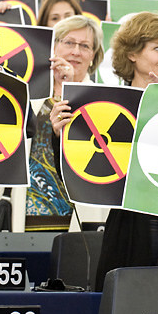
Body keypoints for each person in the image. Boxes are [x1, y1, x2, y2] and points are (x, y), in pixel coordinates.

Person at [50, 12, 158, 290]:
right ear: (132, 54)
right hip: (128, 229)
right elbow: (76, 176)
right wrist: (60, 135)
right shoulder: (104, 106)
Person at [26, 15, 105, 231]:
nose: (76, 52)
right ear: (53, 47)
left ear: (94, 56)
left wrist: (70, 87)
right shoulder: (28, 94)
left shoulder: (102, 100)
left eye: (85, 46)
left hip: (79, 215)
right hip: (27, 215)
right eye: (69, 42)